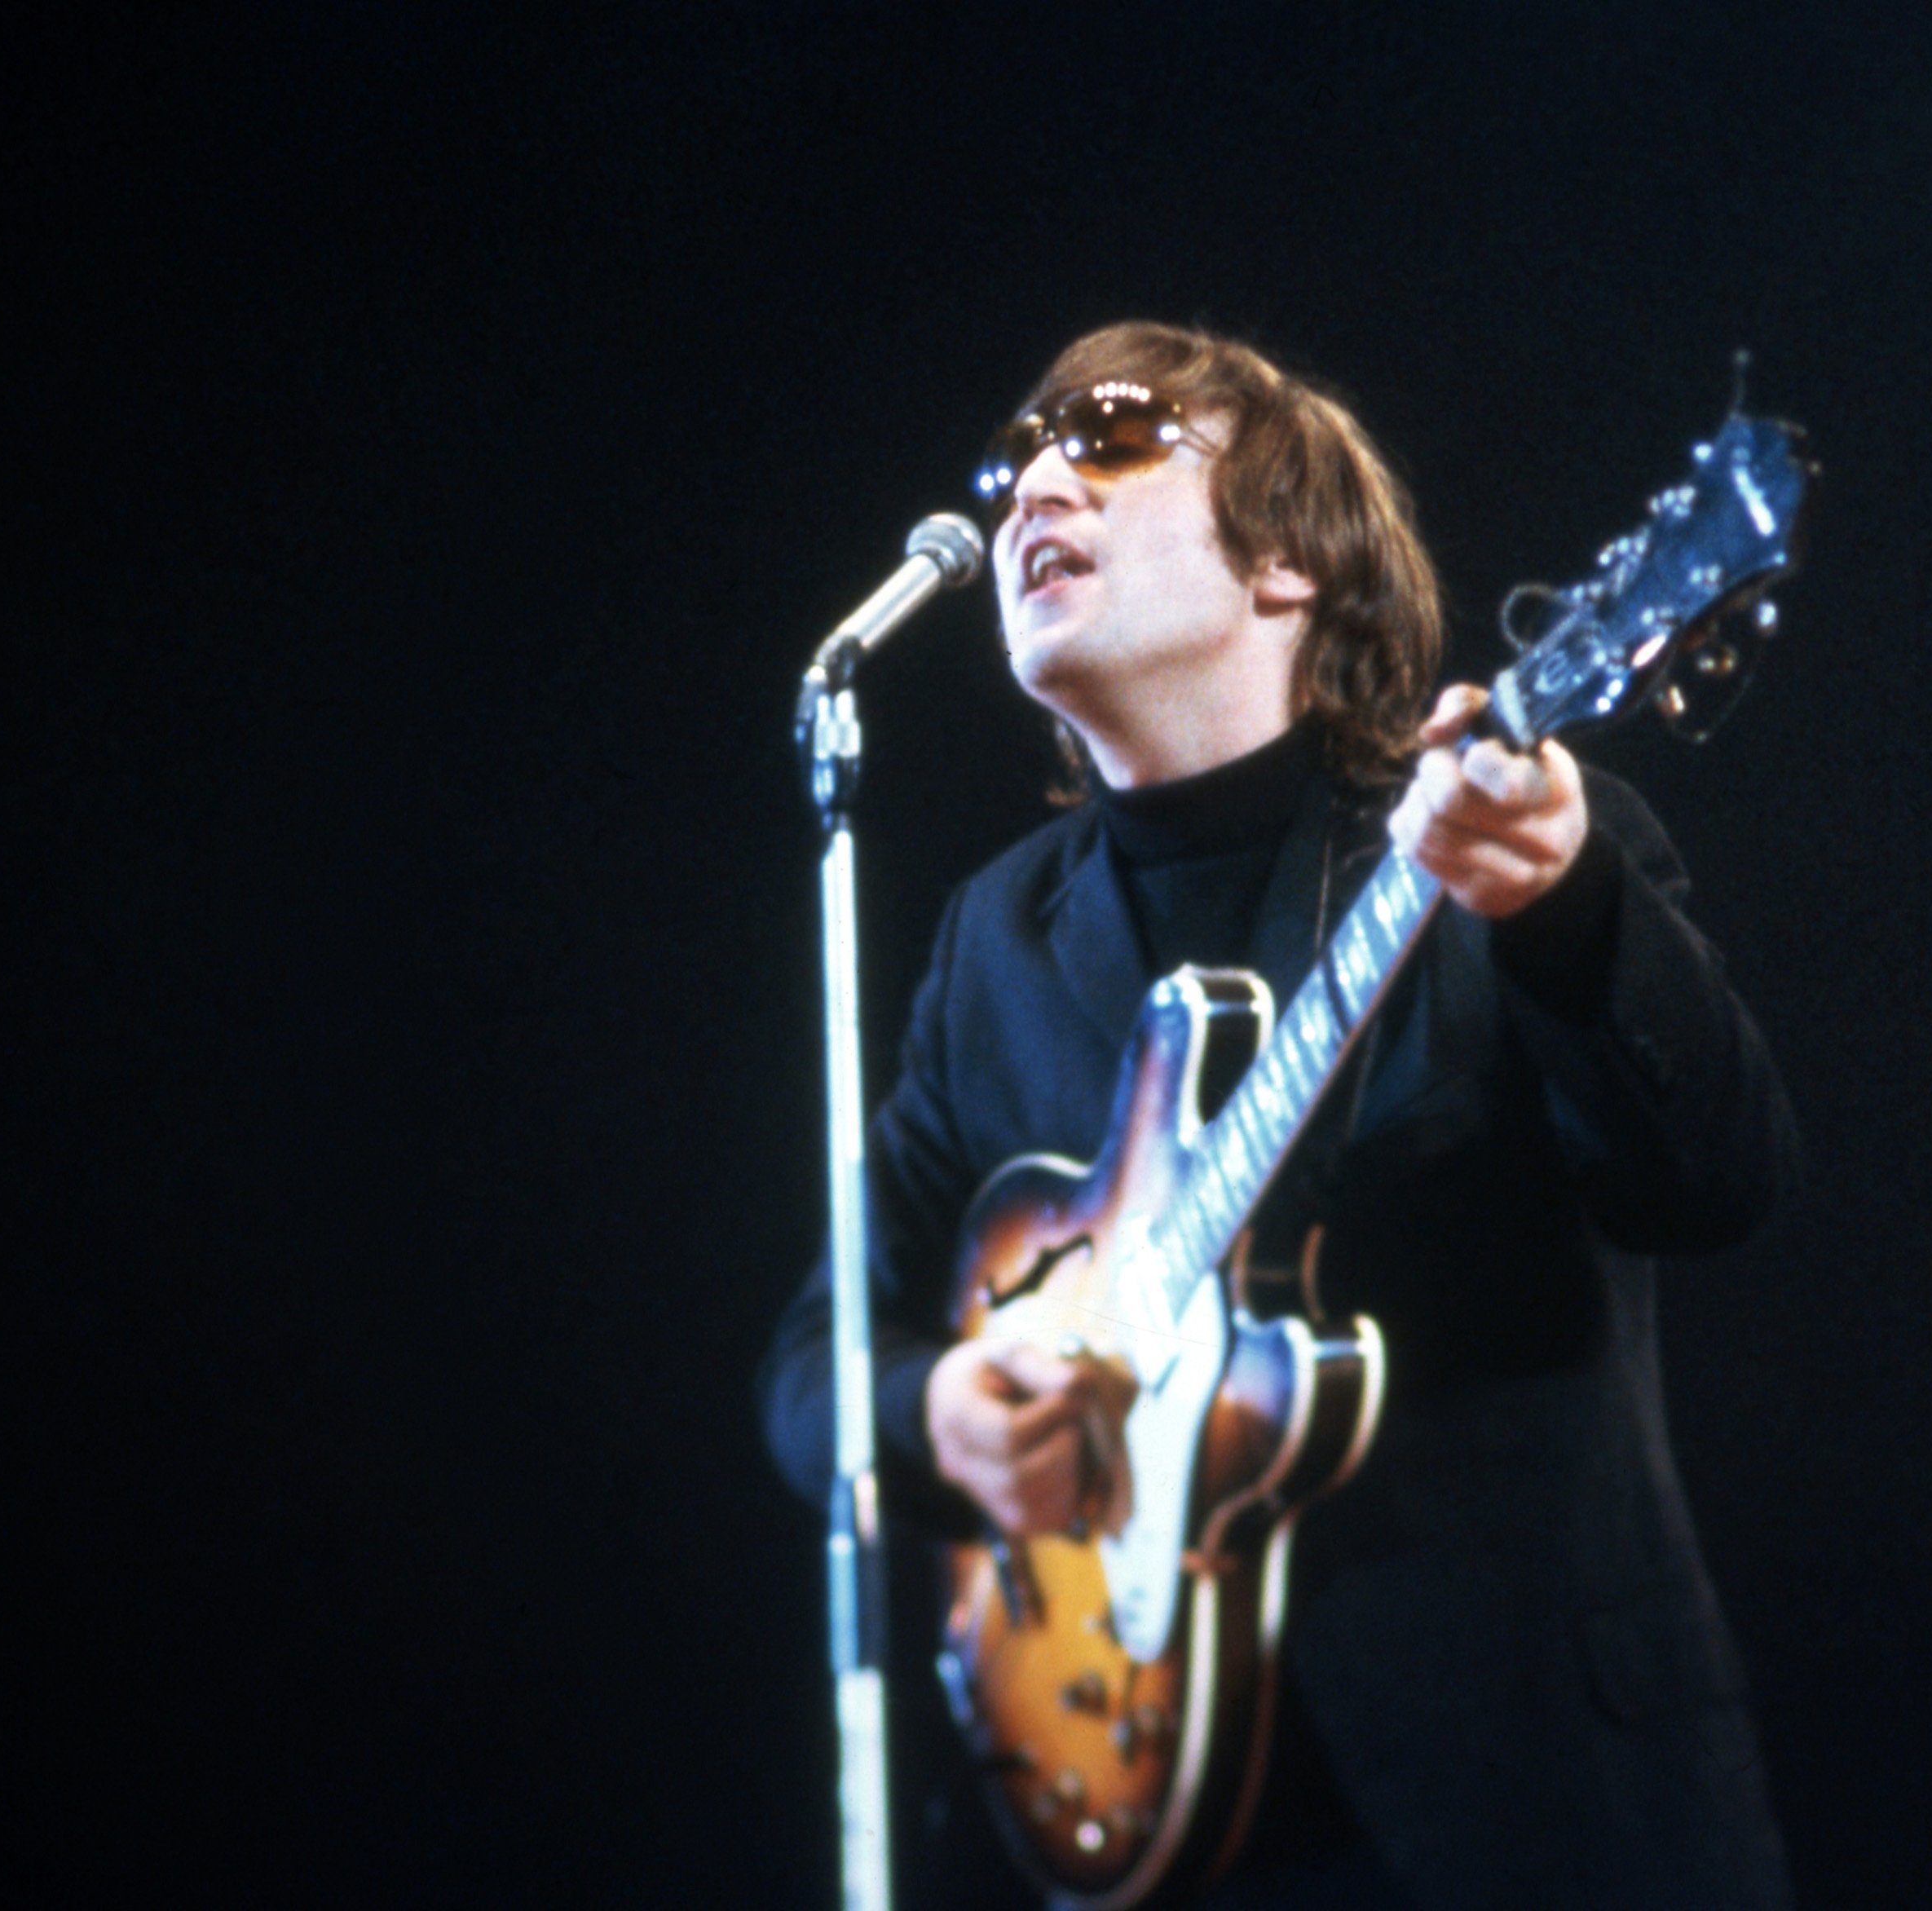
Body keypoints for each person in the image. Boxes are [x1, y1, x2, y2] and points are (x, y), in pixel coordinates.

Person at [760, 322, 1797, 1909]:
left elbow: (1721, 1179)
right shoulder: (994, 943)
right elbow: (818, 1353)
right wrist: (938, 1407)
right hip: (1144, 1823)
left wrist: (1565, 904)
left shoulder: (1490, 840)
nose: (1039, 475)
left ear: (1289, 562)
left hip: (1533, 1815)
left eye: (1109, 435)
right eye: (1016, 456)